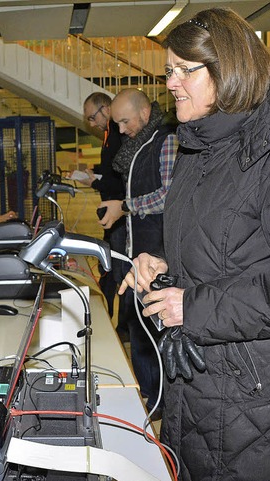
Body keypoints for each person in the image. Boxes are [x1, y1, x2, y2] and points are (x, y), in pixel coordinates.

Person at [121, 8, 270, 480]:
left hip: (261, 400)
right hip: (201, 382)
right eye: (169, 70)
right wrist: (161, 267)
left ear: (229, 70)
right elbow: (226, 252)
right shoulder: (200, 148)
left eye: (186, 70)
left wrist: (195, 307)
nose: (171, 82)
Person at [99, 88, 178, 416]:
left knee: (159, 338)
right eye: (115, 124)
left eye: (124, 121)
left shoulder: (166, 141)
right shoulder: (136, 147)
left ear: (145, 114)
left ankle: (163, 401)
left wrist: (126, 206)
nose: (120, 130)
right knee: (138, 331)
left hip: (158, 261)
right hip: (136, 259)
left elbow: (170, 195)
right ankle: (149, 397)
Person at [79, 92, 126, 327]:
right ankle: (107, 317)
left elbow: (118, 181)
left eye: (91, 117)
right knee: (108, 266)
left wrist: (94, 182)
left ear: (105, 109)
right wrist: (95, 171)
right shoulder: (109, 135)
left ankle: (118, 324)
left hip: (119, 213)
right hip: (110, 211)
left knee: (117, 270)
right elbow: (111, 170)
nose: (91, 123)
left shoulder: (118, 135)